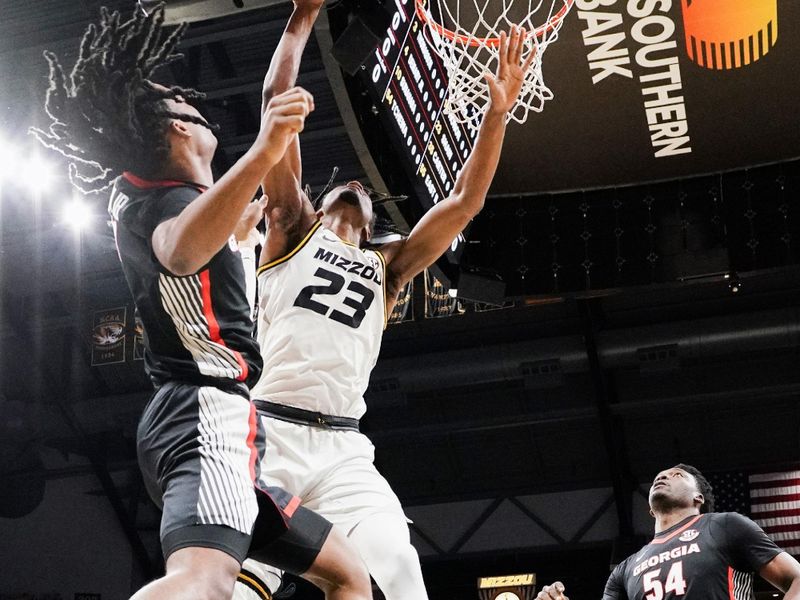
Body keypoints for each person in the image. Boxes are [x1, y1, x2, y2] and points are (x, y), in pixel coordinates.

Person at [30, 4, 372, 599]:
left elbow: (274, 97)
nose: (199, 106)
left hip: (206, 421)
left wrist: (302, 16)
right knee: (204, 581)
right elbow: (180, 252)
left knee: (346, 573)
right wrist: (263, 154)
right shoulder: (164, 205)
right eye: (187, 103)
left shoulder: (166, 197)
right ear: (180, 130)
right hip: (206, 409)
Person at [236, 22, 536, 600]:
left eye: (364, 190)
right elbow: (275, 108)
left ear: (374, 223)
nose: (353, 184)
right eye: (340, 185)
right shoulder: (292, 227)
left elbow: (466, 202)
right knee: (247, 586)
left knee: (400, 571)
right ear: (318, 204)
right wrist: (300, 21)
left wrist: (496, 116)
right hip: (271, 432)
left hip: (345, 447)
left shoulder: (389, 267)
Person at [536, 464, 800, 600]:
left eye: (677, 475)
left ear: (698, 498)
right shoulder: (625, 569)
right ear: (651, 511)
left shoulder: (724, 526)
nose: (663, 477)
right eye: (658, 477)